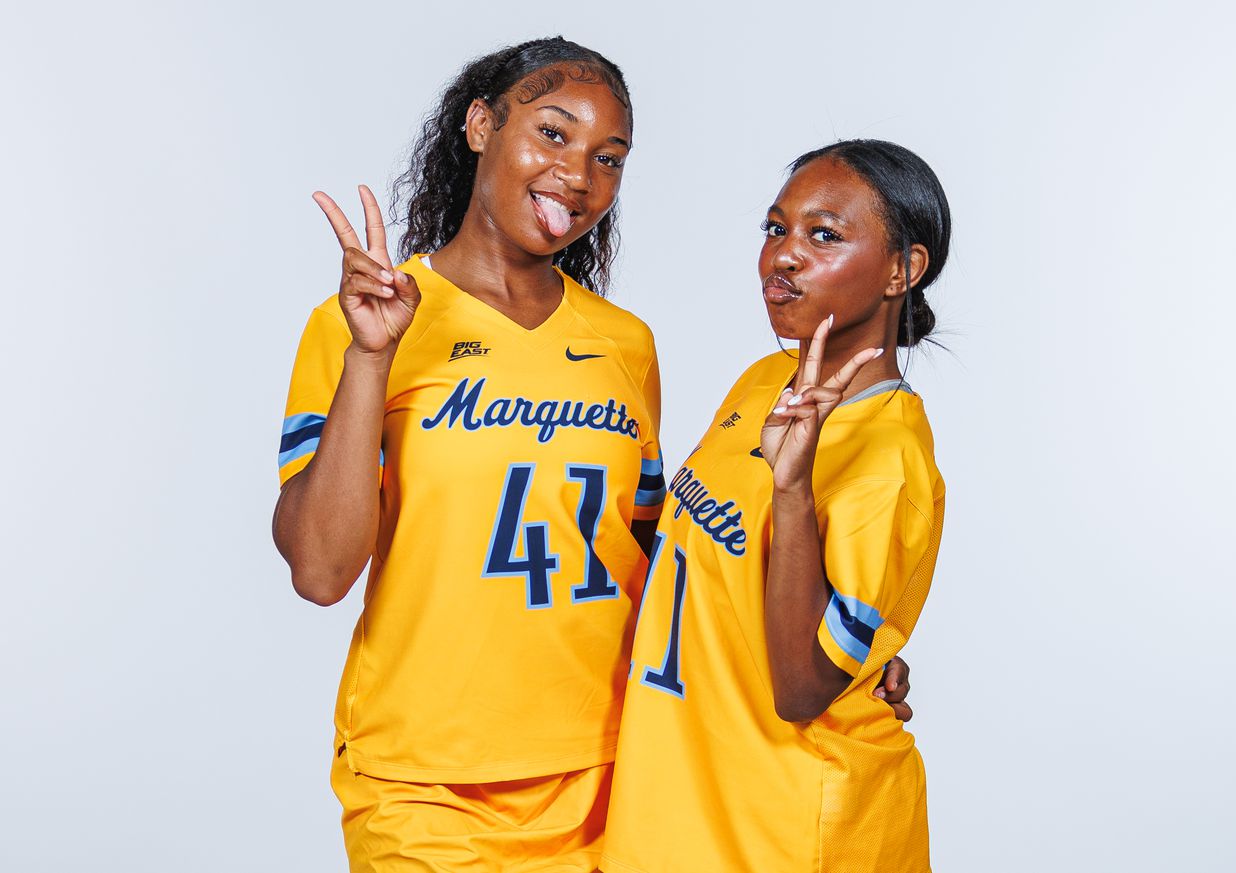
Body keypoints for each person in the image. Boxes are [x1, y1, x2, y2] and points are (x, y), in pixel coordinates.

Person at [274, 37, 913, 871]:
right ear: (480, 125)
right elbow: (321, 572)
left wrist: (848, 645)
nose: (578, 175)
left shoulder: (624, 346)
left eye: (607, 158)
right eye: (552, 133)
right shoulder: (363, 323)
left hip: (623, 768)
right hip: (427, 781)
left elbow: (657, 553)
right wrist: (369, 358)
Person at [602, 139, 950, 873]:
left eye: (824, 235)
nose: (783, 256)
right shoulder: (767, 379)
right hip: (686, 807)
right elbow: (692, 561)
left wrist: (792, 491)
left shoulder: (890, 456)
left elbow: (800, 688)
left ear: (902, 270)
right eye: (775, 229)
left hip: (794, 830)